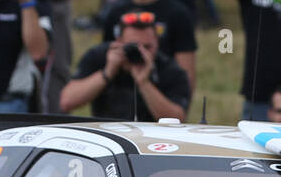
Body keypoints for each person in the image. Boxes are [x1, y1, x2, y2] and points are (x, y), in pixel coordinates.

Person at [61, 8, 191, 120]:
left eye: (147, 47)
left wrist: (144, 82)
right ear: (118, 41)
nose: (140, 52)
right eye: (133, 46)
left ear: (157, 42)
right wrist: (107, 73)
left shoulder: (169, 70)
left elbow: (177, 119)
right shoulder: (101, 57)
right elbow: (66, 102)